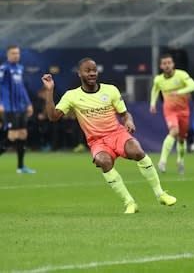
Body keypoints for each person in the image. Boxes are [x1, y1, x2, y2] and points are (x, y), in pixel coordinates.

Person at [41, 58, 176, 214]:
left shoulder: (110, 90)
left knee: (137, 151)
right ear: (79, 73)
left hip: (117, 134)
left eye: (94, 70)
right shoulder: (72, 96)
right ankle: (130, 203)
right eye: (88, 70)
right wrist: (49, 90)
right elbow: (53, 117)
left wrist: (129, 121)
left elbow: (125, 114)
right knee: (103, 161)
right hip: (97, 141)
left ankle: (160, 194)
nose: (92, 73)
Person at [149, 54, 194, 174]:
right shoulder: (158, 79)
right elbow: (155, 89)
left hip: (184, 111)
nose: (167, 65)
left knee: (181, 139)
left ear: (173, 64)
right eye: (164, 63)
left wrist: (179, 92)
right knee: (174, 131)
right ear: (161, 66)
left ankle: (180, 161)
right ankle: (162, 161)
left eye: (169, 63)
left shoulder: (181, 75)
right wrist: (152, 103)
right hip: (170, 110)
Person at [0, 45, 36, 173]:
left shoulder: (20, 69)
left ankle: (21, 167)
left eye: (18, 53)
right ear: (8, 54)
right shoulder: (4, 69)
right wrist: (1, 103)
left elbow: (21, 88)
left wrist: (28, 103)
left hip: (20, 107)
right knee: (12, 136)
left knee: (22, 135)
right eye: (13, 53)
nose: (16, 55)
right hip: (9, 107)